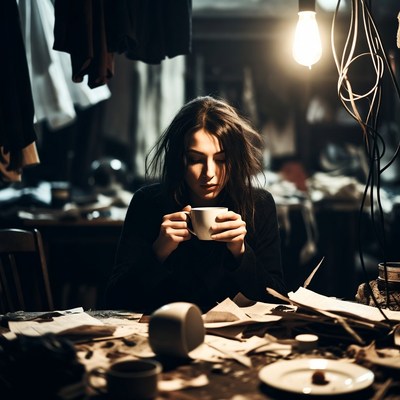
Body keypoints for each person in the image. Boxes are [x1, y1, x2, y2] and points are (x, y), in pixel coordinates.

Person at [105, 95, 287, 313]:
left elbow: (277, 303)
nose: (209, 173)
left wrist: (241, 253)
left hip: (235, 341)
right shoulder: (148, 203)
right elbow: (114, 302)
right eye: (195, 159)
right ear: (179, 160)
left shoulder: (258, 205)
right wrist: (159, 251)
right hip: (163, 334)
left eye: (221, 160)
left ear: (235, 159)